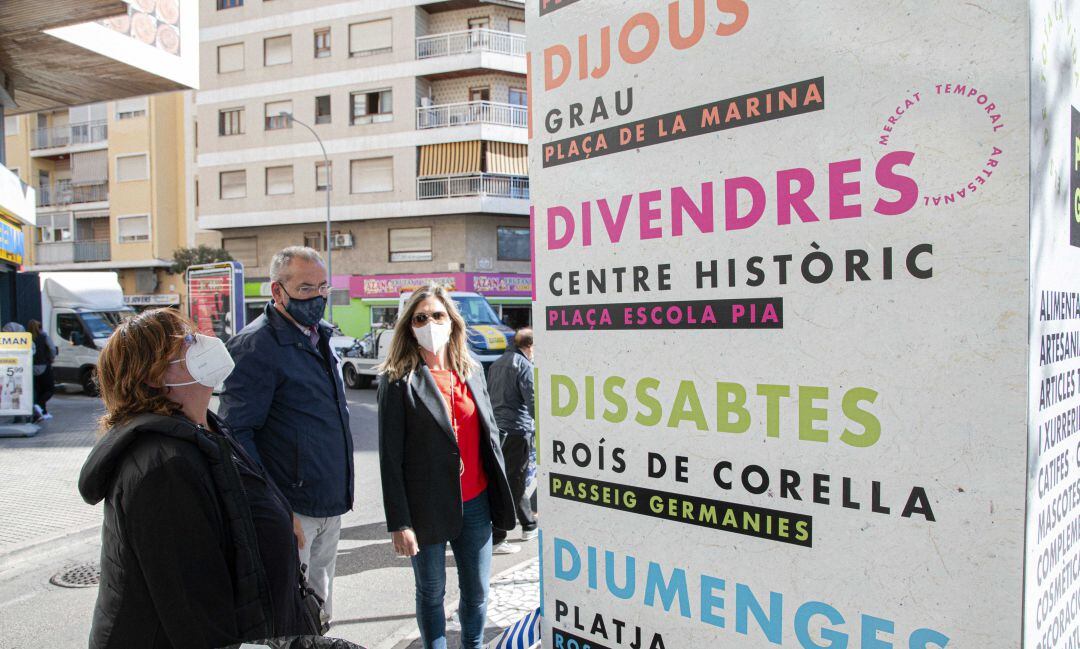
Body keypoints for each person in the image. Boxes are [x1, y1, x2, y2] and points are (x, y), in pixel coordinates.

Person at [77, 308, 315, 648]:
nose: (203, 342)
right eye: (185, 342)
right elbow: (197, 619)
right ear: (153, 376)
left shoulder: (207, 430)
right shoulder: (163, 469)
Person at [220, 246, 354, 628]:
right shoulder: (256, 346)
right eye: (306, 289)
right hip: (292, 511)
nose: (317, 298)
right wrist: (278, 508)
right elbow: (236, 434)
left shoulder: (319, 336)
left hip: (328, 503)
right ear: (277, 292)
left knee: (319, 610)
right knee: (288, 615)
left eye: (323, 287)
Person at [378, 285, 516, 649]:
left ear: (452, 322)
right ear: (409, 326)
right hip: (425, 510)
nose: (429, 323)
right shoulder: (397, 380)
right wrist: (400, 523)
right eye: (420, 317)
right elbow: (390, 459)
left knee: (477, 593)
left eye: (437, 315)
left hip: (476, 503)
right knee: (431, 593)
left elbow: (490, 436)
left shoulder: (472, 372)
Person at [488, 328, 537, 553]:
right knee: (515, 481)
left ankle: (527, 523)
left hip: (498, 429)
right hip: (518, 429)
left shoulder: (497, 364)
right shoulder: (524, 365)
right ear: (530, 346)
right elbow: (532, 400)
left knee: (505, 479)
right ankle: (502, 534)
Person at [27, 319, 56, 421]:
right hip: (44, 366)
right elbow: (52, 349)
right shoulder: (44, 336)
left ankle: (42, 411)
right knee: (49, 389)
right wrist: (52, 358)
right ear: (40, 327)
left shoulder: (27, 338)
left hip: (31, 367)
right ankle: (39, 406)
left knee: (38, 390)